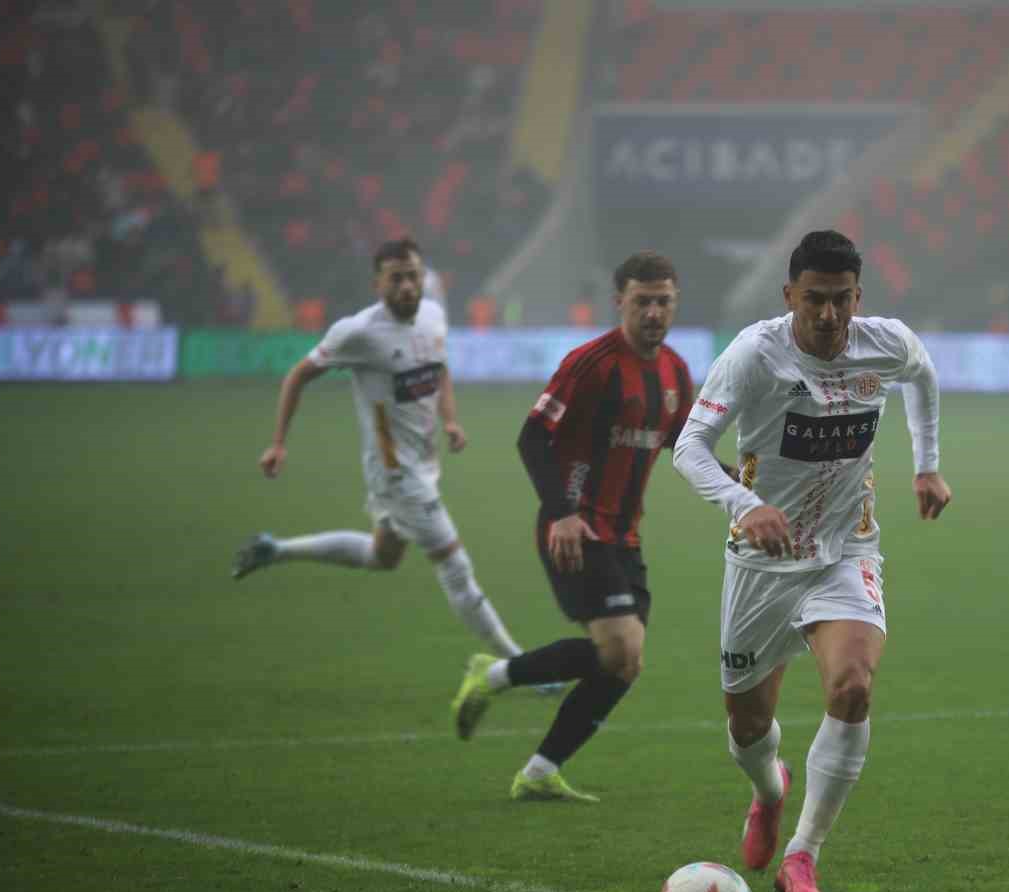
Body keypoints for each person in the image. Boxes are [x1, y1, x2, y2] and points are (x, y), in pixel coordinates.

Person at [671, 230, 951, 892]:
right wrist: (746, 504)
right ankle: (768, 793)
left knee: (853, 688)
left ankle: (803, 854)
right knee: (746, 727)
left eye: (841, 301)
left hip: (846, 550)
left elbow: (923, 376)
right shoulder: (755, 355)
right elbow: (690, 447)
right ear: (788, 295)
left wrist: (926, 464)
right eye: (814, 300)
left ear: (858, 296)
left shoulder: (884, 342)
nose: (828, 316)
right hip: (762, 563)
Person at [449, 252, 730, 802]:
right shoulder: (591, 363)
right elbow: (532, 437)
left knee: (624, 664)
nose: (654, 312)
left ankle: (537, 770)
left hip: (625, 534)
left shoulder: (673, 371)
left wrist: (736, 482)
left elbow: (683, 445)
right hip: (574, 528)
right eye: (643, 300)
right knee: (619, 647)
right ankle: (494, 675)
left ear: (676, 303)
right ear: (619, 301)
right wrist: (562, 513)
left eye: (664, 301)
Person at [231, 237, 529, 665]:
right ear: (378, 284)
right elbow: (297, 376)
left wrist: (450, 419)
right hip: (397, 474)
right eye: (396, 279)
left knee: (383, 556)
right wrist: (278, 442)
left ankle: (275, 549)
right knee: (455, 566)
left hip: (423, 464)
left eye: (414, 276)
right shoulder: (359, 333)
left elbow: (439, 368)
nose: (407, 286)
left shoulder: (432, 315)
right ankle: (519, 665)